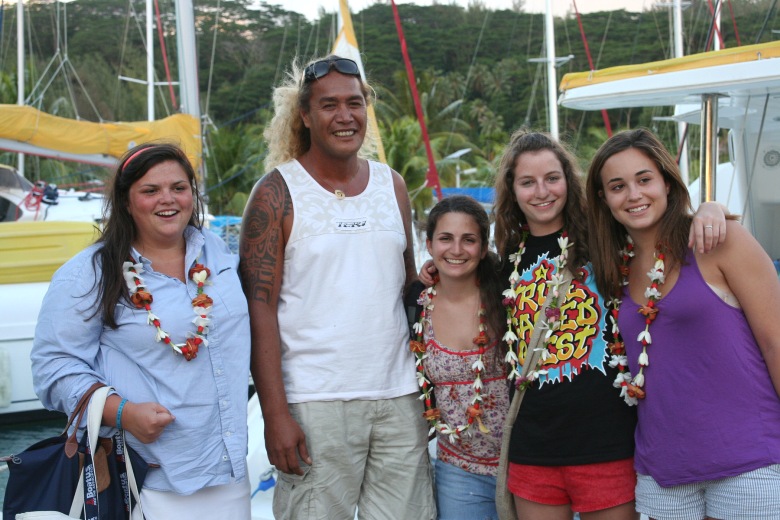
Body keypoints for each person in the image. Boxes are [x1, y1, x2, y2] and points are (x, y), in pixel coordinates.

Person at [420, 130, 726, 519]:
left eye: (552, 178)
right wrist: (428, 270)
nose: (541, 191)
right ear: (512, 191)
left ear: (569, 180)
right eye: (527, 182)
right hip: (533, 449)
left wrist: (709, 208)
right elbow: (456, 271)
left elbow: (657, 224)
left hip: (606, 444)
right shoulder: (507, 261)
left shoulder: (605, 240)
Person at [239, 55, 436, 520]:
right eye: (329, 105)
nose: (345, 116)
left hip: (399, 397)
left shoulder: (393, 185)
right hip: (315, 403)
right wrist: (275, 416)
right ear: (305, 116)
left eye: (355, 103)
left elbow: (408, 286)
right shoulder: (275, 193)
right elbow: (258, 311)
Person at [31, 143, 252, 518]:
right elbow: (52, 367)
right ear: (126, 201)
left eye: (179, 188)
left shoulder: (215, 251)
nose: (168, 199)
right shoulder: (91, 273)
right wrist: (123, 413)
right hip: (146, 480)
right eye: (150, 191)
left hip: (229, 474)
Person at [585, 128, 780, 520]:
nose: (634, 195)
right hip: (663, 472)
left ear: (668, 183)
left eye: (644, 179)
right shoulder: (611, 270)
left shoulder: (720, 241)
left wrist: (708, 206)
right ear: (604, 200)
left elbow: (776, 341)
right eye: (618, 186)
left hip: (749, 462)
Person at [407, 195, 508, 519]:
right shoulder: (416, 302)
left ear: (482, 246)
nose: (456, 250)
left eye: (469, 240)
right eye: (445, 238)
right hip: (458, 469)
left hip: (525, 462)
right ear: (429, 243)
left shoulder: (506, 293)